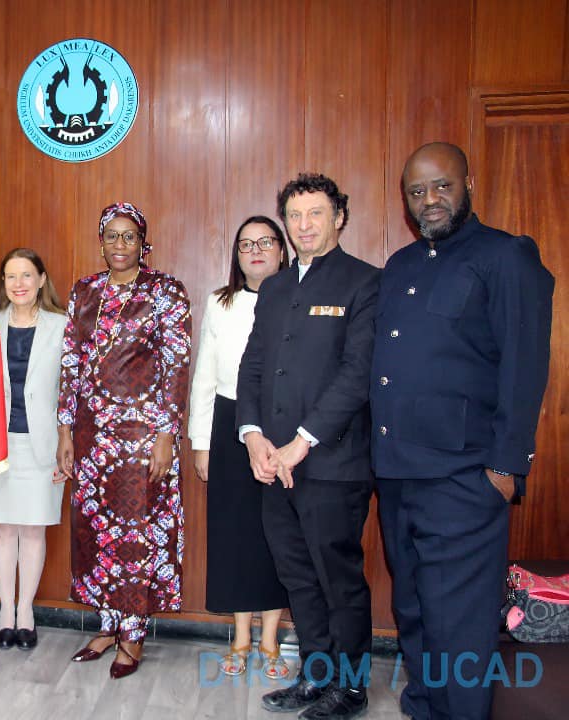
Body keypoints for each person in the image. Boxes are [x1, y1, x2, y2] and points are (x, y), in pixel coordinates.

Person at [371, 142, 553, 720]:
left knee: (463, 619)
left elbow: (524, 366)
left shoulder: (505, 257)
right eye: (417, 191)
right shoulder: (399, 266)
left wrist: (506, 466)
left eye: (441, 186)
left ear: (467, 182)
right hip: (397, 474)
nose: (430, 200)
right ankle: (425, 704)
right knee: (417, 607)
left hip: (464, 475)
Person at [236, 173, 379, 720]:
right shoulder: (273, 287)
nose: (305, 225)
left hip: (331, 464)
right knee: (297, 576)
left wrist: (301, 442)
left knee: (337, 579)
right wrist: (252, 436)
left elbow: (356, 374)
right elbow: (252, 367)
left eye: (316, 213)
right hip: (273, 464)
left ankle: (351, 688)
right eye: (295, 216)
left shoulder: (365, 283)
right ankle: (315, 677)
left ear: (339, 217)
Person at [57, 202, 191, 680]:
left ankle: (133, 635)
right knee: (97, 534)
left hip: (141, 441)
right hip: (93, 440)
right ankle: (109, 623)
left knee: (134, 534)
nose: (119, 245)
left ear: (142, 242)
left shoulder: (165, 292)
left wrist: (165, 435)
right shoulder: (85, 291)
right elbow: (71, 363)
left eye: (128, 236)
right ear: (101, 241)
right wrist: (65, 430)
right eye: (111, 236)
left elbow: (176, 368)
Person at [189, 216, 290, 679]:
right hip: (229, 424)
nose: (255, 251)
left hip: (285, 426)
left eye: (265, 242)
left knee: (278, 535)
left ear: (281, 250)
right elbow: (205, 374)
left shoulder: (297, 296)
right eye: (246, 244)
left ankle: (272, 639)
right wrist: (201, 441)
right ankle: (241, 637)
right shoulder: (221, 302)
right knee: (236, 535)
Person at [0, 248, 66, 651]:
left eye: (27, 275)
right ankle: (4, 611)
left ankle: (26, 612)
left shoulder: (61, 327)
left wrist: (69, 445)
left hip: (42, 443)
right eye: (11, 276)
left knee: (32, 530)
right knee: (2, 529)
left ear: (42, 280)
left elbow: (73, 393)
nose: (19, 284)